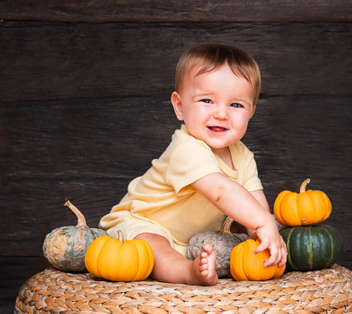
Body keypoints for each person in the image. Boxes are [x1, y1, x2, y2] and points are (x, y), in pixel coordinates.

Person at [99, 43, 287, 285]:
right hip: (139, 225)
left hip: (187, 240)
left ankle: (191, 262)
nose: (221, 113)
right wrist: (264, 223)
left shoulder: (243, 155)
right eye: (207, 100)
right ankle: (188, 273)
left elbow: (254, 201)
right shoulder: (186, 147)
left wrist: (264, 238)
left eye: (236, 105)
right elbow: (220, 191)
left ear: (251, 112)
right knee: (154, 246)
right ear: (179, 106)